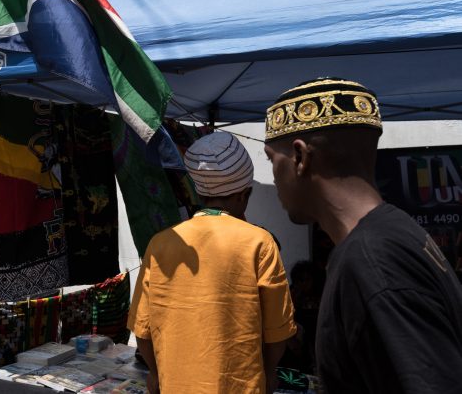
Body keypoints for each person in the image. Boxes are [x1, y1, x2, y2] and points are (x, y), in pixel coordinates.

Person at [263, 77, 462, 393]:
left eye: (272, 161)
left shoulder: (373, 260)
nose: (274, 178)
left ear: (299, 158)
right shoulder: (394, 235)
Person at [128, 132, 296, 393]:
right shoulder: (260, 242)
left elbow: (143, 330)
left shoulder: (160, 243)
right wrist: (269, 372)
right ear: (243, 194)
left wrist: (156, 373)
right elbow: (277, 332)